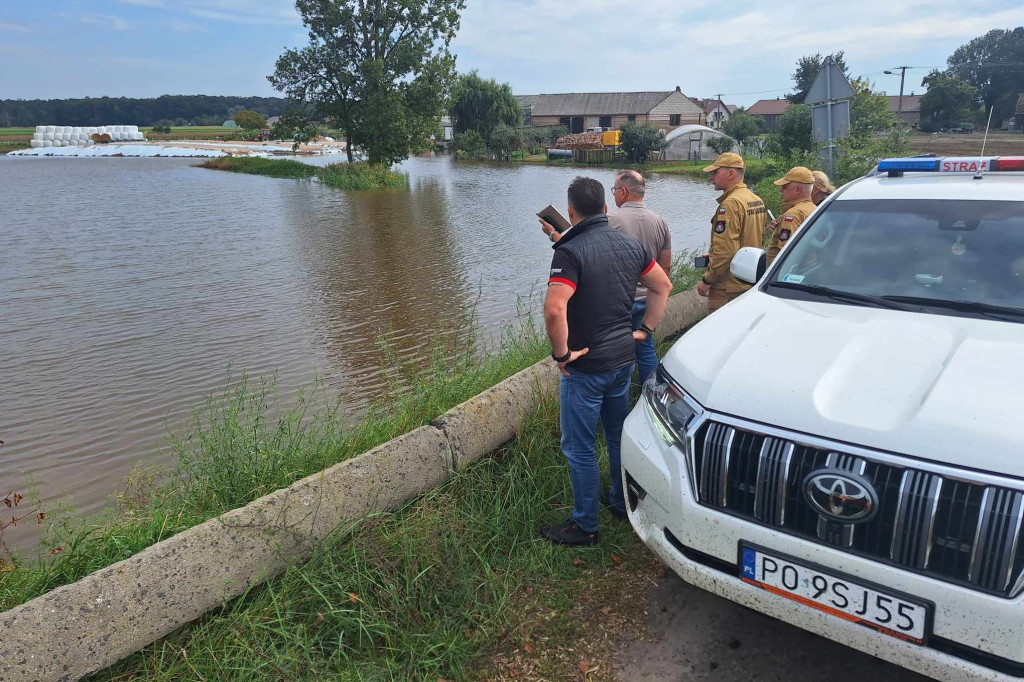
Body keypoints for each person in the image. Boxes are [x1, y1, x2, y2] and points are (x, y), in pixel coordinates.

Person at [539, 176, 673, 545]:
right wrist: (645, 330)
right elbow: (663, 286)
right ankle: (619, 500)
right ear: (605, 208)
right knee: (616, 433)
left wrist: (562, 355)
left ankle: (585, 525)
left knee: (579, 447)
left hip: (587, 367)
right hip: (622, 360)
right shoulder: (629, 245)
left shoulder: (569, 252)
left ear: (569, 212)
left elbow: (554, 310)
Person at [607, 170, 671, 384]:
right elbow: (665, 268)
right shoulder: (660, 222)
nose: (614, 195)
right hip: (648, 301)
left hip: (619, 302)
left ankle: (620, 398)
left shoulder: (610, 220)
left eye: (614, 190)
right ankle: (648, 396)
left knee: (616, 355)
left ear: (623, 192)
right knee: (646, 351)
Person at [696, 153, 766, 312]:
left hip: (727, 287)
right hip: (748, 281)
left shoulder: (730, 204)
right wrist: (713, 255)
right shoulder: (755, 199)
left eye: (715, 172)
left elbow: (727, 250)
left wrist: (707, 280)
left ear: (731, 174)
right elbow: (757, 240)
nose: (711, 178)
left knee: (721, 334)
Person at [766, 166, 817, 264]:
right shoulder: (815, 208)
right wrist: (778, 229)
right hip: (808, 266)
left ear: (797, 190)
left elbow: (785, 252)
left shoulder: (793, 214)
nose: (781, 190)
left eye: (784, 187)